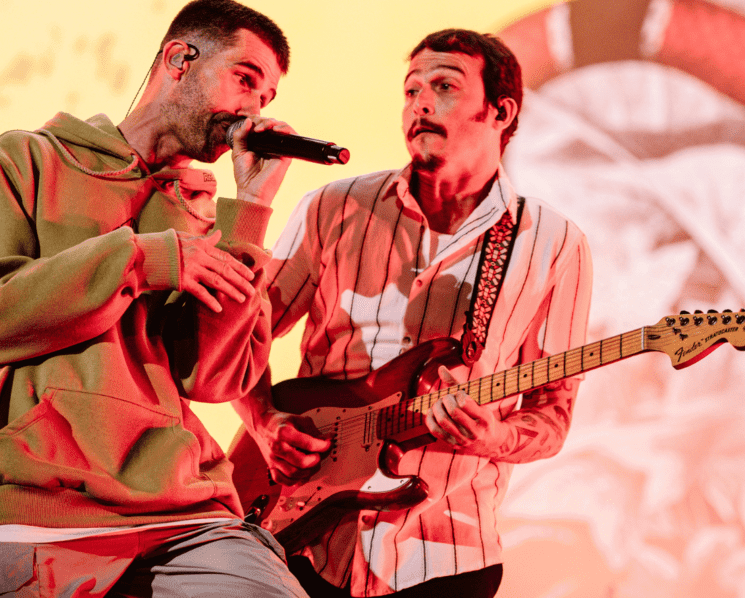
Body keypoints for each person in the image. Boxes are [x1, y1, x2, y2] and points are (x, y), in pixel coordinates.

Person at [0, 0, 309, 598]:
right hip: (33, 502)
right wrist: (145, 258)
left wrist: (252, 211)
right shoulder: (29, 158)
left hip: (183, 509)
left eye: (264, 99)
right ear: (179, 58)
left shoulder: (204, 219)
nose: (250, 109)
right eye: (245, 80)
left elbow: (211, 379)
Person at [233, 29, 594, 597]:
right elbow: (234, 339)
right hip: (298, 539)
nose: (419, 103)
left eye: (444, 86)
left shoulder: (553, 244)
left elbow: (551, 416)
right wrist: (264, 423)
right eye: (410, 90)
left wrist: (494, 435)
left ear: (501, 111)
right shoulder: (333, 207)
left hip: (446, 555)